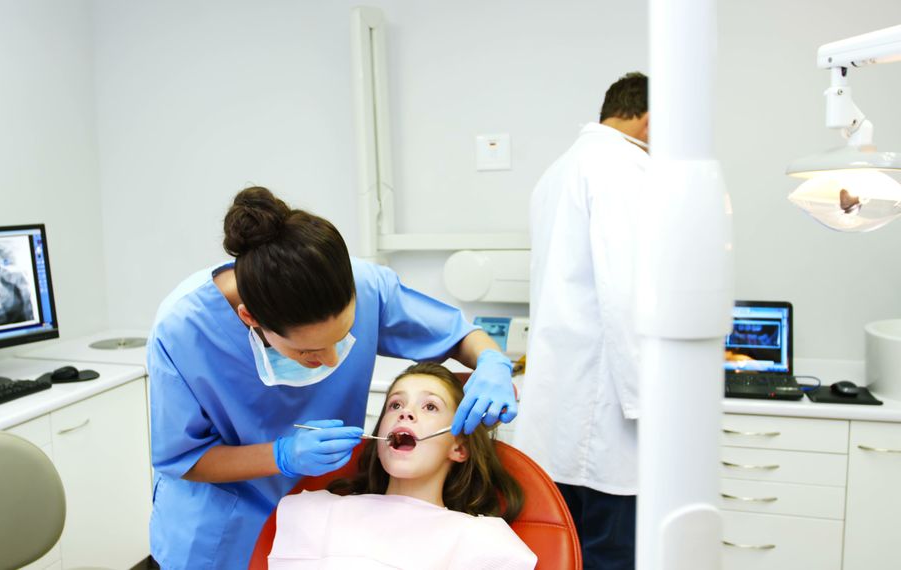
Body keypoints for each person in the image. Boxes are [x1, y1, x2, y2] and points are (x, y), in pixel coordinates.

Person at [147, 186, 519, 569]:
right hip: (221, 533)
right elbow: (184, 457)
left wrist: (492, 361)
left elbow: (457, 335)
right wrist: (282, 455)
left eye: (342, 340)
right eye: (307, 351)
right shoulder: (184, 331)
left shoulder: (365, 286)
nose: (328, 361)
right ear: (250, 319)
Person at [515, 71, 649, 569]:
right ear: (650, 121)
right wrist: (650, 403)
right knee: (609, 553)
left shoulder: (558, 172)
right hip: (611, 413)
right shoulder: (625, 168)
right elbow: (629, 295)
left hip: (561, 415)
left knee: (564, 551)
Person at [268, 362, 536, 569]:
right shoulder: (314, 512)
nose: (405, 412)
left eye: (430, 406)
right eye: (395, 404)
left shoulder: (484, 542)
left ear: (459, 448)